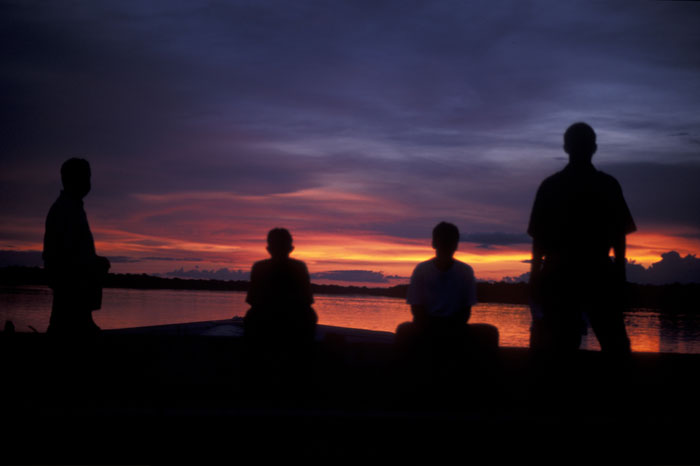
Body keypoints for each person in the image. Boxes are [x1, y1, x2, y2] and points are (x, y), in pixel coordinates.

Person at [528, 122, 636, 357]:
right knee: (615, 348)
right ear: (594, 147)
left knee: (559, 350)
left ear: (566, 147)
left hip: (561, 277)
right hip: (595, 275)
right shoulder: (607, 185)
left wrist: (535, 278)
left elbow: (538, 242)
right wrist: (620, 276)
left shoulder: (551, 186)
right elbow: (619, 239)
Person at [395, 222, 499, 376]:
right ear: (434, 243)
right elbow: (417, 309)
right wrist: (435, 328)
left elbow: (465, 312)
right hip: (428, 328)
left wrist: (447, 329)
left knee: (490, 333)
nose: (446, 245)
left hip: (455, 328)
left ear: (455, 245)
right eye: (443, 240)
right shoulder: (422, 270)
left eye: (449, 241)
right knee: (403, 330)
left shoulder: (465, 271)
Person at [43, 158, 110, 336]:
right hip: (70, 293)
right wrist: (95, 264)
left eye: (89, 177)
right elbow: (66, 256)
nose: (88, 182)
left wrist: (96, 262)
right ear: (72, 179)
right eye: (85, 177)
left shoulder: (71, 208)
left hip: (74, 296)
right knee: (66, 328)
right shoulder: (65, 210)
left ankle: (84, 321)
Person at [242, 228, 317, 387]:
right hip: (292, 324)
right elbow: (307, 300)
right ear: (291, 248)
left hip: (267, 323)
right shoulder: (298, 267)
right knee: (309, 315)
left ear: (269, 249)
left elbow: (252, 300)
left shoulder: (260, 267)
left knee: (252, 316)